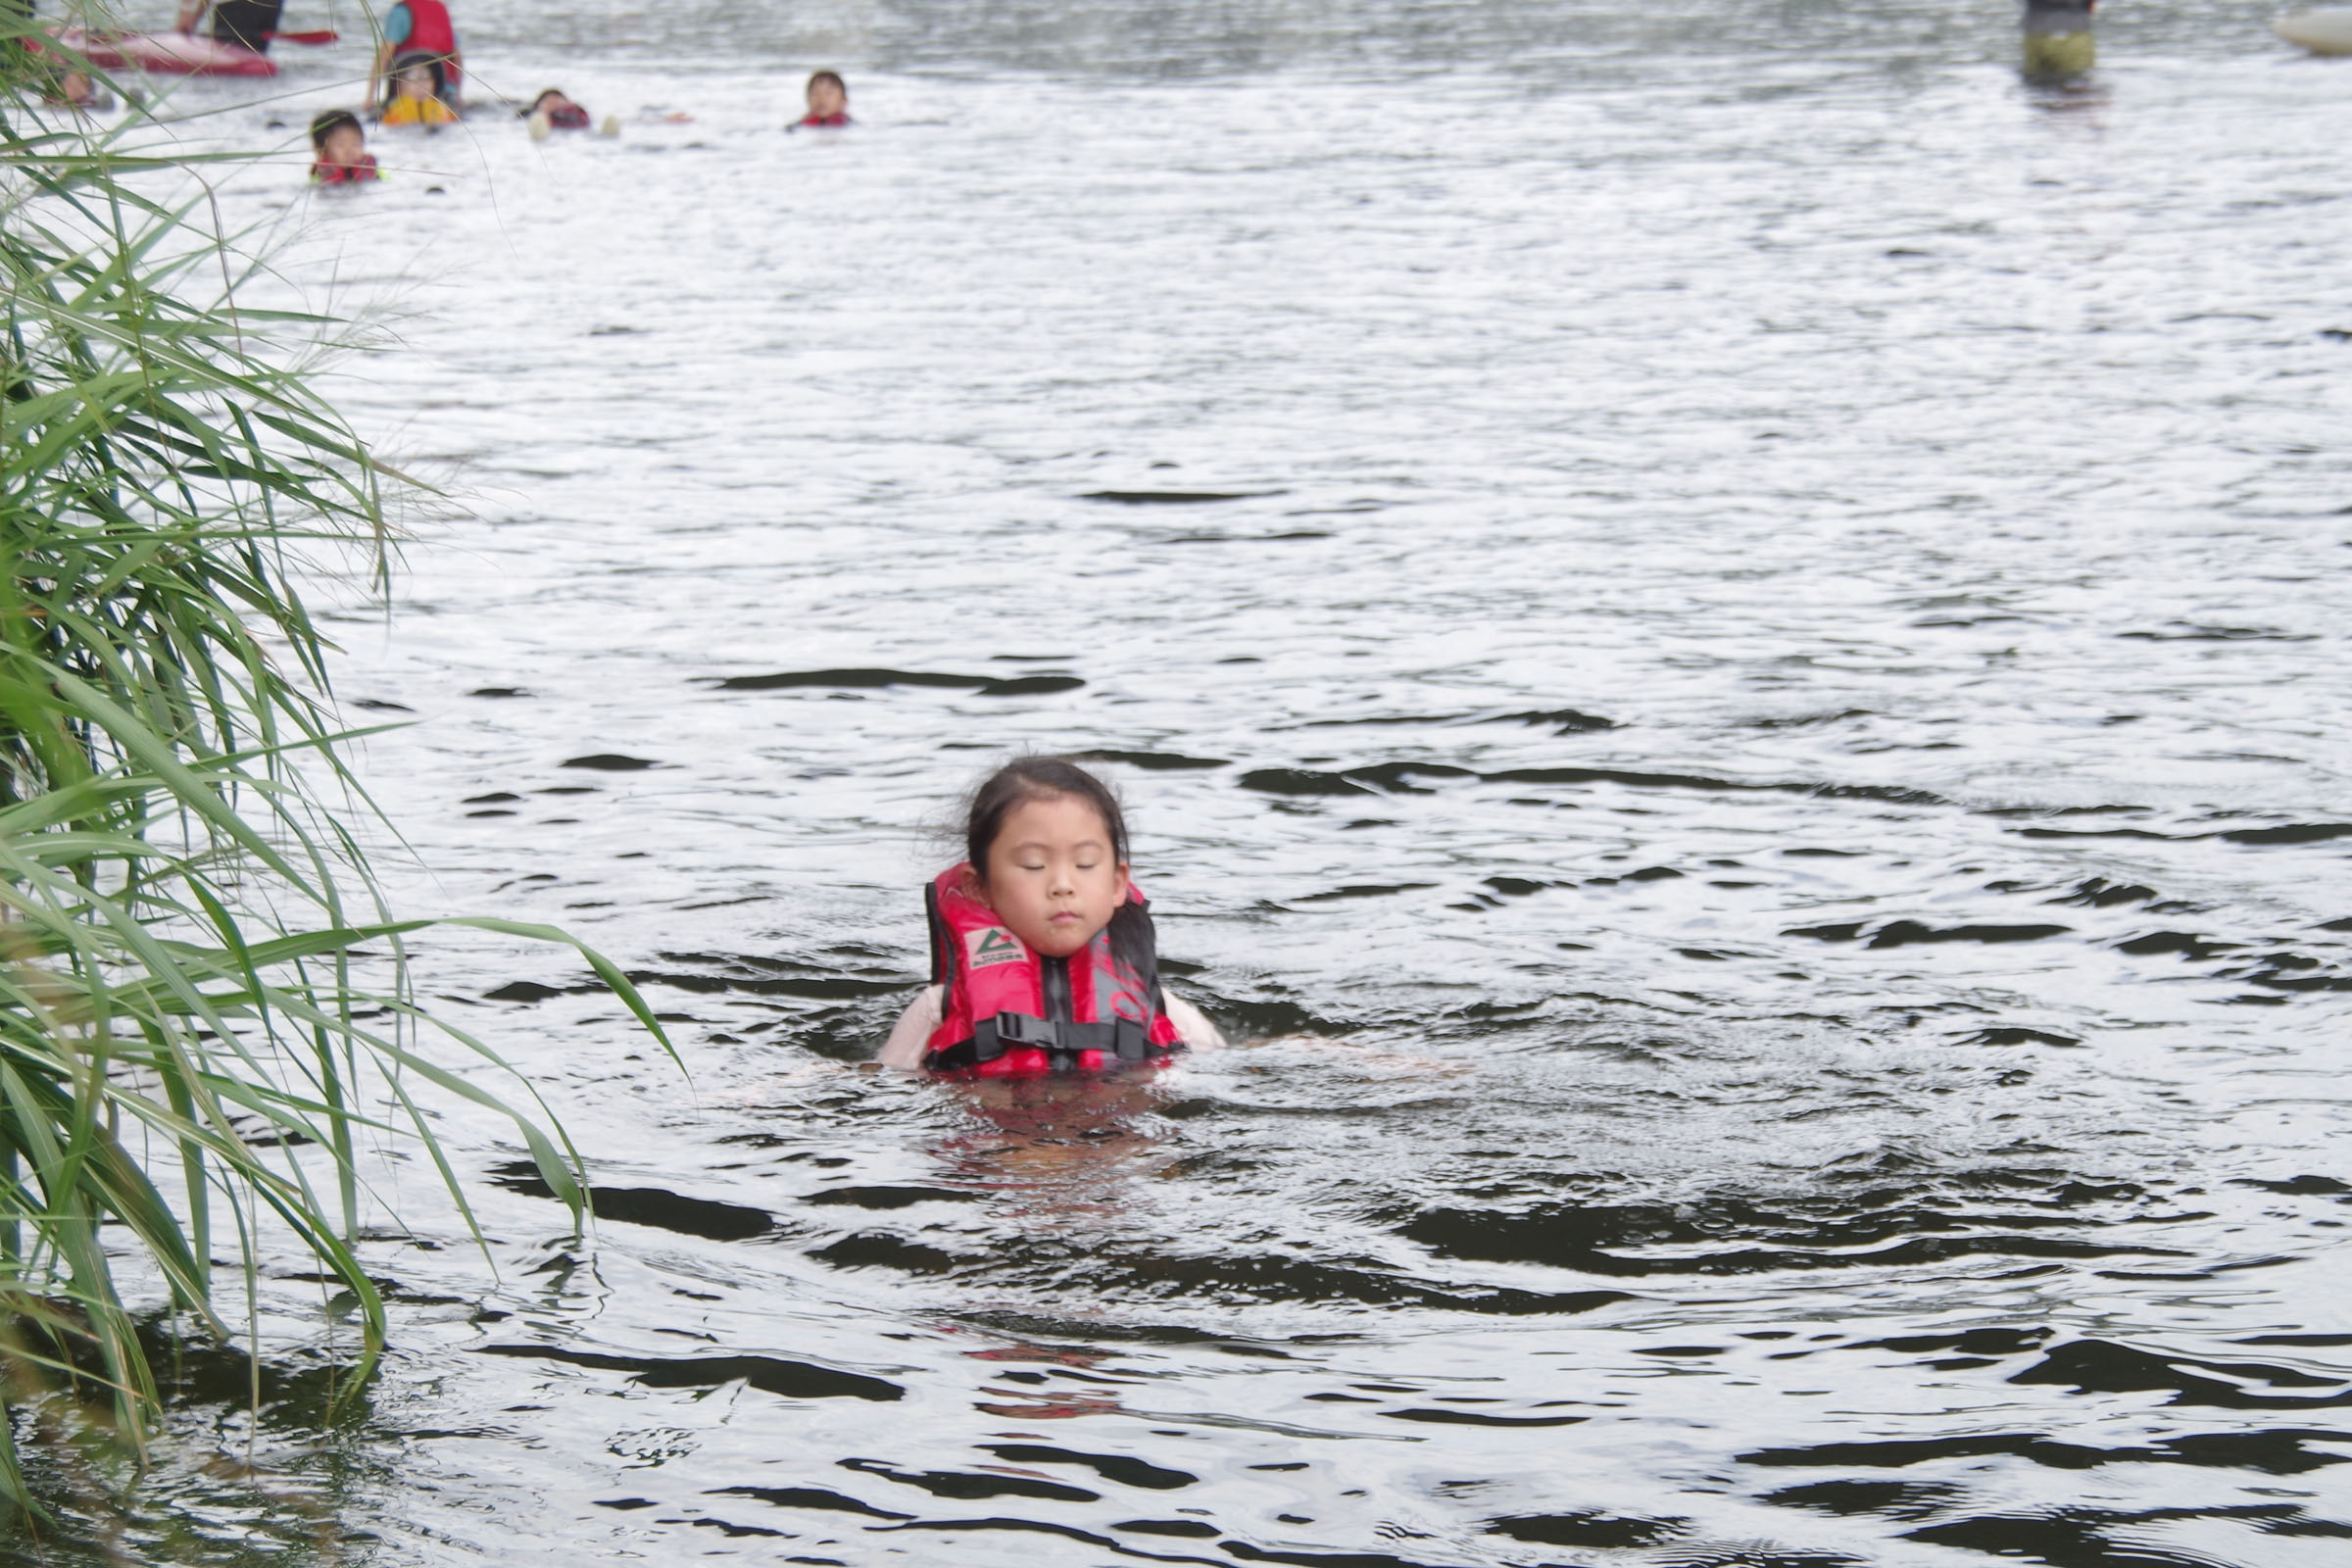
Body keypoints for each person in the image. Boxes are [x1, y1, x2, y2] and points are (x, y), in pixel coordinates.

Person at [878, 758, 1224, 1075]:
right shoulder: (939, 1007)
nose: (1062, 885)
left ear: (1118, 883)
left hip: (1120, 1139)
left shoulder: (1158, 1006)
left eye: (1085, 864)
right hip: (999, 1139)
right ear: (979, 886)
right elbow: (884, 1082)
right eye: (1034, 865)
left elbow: (1223, 1067)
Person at [364, 0, 461, 115]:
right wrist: (458, 93)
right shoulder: (441, 9)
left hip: (409, 86)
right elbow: (456, 56)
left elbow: (385, 55)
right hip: (444, 92)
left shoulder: (400, 13)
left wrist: (370, 96)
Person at [377, 54, 459, 126]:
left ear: (435, 82)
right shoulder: (382, 116)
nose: (420, 84)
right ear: (397, 85)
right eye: (412, 77)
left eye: (425, 76)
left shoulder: (451, 113)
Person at [174, 0, 284, 54]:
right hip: (271, 5)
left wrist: (187, 13)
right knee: (254, 55)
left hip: (235, 6)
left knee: (232, 53)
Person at [309, 108, 378, 184]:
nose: (349, 151)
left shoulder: (372, 171)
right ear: (320, 150)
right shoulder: (320, 179)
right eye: (340, 145)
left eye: (355, 144)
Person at [520, 87, 589, 129]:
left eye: (556, 99)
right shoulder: (529, 115)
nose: (552, 104)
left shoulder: (576, 113)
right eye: (548, 102)